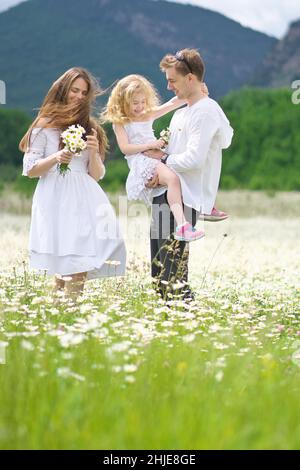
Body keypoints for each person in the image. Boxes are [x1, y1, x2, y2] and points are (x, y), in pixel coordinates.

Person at [20, 67, 126, 300]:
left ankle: (70, 311)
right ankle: (61, 315)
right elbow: (30, 169)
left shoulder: (91, 127)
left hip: (86, 197)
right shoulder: (44, 124)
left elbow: (96, 175)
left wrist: (95, 152)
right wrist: (56, 157)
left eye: (83, 92)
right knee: (63, 262)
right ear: (63, 90)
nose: (78, 96)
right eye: (74, 90)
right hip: (55, 196)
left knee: (81, 258)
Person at [145, 49, 233, 301]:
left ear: (191, 79)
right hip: (166, 193)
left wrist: (162, 160)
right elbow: (175, 152)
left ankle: (187, 323)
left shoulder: (206, 110)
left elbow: (194, 159)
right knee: (159, 272)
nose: (169, 86)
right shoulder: (183, 112)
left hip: (185, 199)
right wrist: (158, 168)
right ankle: (167, 330)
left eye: (173, 80)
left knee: (173, 275)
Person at [102, 74, 206, 242]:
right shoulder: (120, 122)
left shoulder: (147, 114)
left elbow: (172, 104)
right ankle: (183, 226)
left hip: (153, 157)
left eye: (143, 102)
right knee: (173, 179)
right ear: (123, 101)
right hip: (141, 160)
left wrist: (193, 91)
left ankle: (194, 215)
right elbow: (125, 149)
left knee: (178, 177)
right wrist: (151, 145)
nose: (140, 106)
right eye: (135, 103)